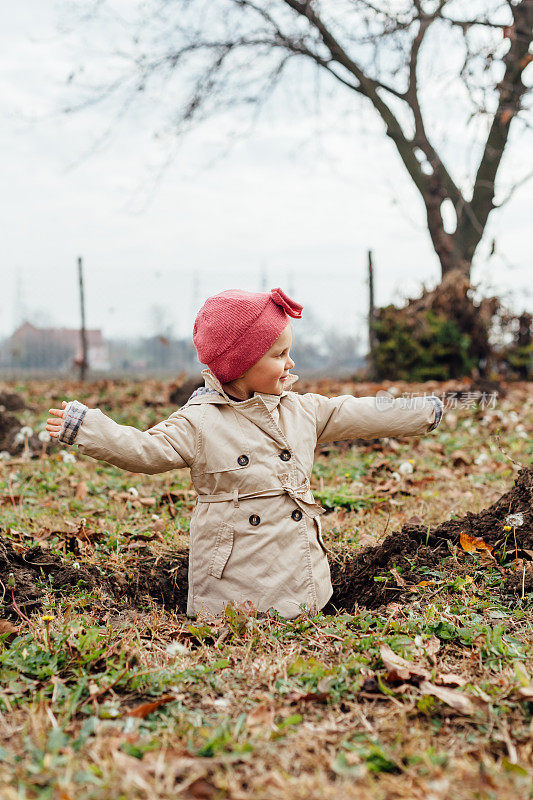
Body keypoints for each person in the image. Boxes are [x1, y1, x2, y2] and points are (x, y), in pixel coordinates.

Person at [46, 287, 443, 619]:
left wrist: (422, 410)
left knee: (302, 615)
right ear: (240, 365)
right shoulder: (200, 422)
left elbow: (356, 411)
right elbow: (146, 451)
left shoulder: (301, 410)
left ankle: (308, 609)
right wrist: (87, 427)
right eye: (278, 355)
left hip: (300, 576)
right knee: (245, 619)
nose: (291, 364)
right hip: (233, 587)